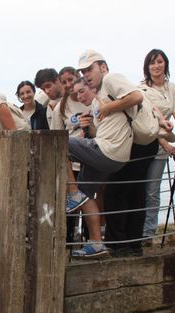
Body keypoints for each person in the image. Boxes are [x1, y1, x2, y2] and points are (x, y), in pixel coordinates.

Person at [66, 50, 143, 257]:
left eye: (89, 68)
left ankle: (71, 193)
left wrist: (108, 108)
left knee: (59, 143)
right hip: (109, 153)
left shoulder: (111, 79)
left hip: (109, 150)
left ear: (102, 67)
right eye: (83, 70)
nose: (87, 74)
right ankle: (96, 243)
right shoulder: (96, 99)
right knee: (85, 193)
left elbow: (137, 96)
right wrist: (90, 126)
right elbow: (100, 132)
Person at [139, 49, 175, 242]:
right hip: (144, 142)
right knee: (139, 188)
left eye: (159, 61)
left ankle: (148, 232)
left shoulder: (172, 88)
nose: (156, 66)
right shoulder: (141, 89)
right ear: (146, 67)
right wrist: (164, 142)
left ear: (165, 63)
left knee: (152, 190)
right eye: (152, 62)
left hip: (162, 146)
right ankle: (136, 228)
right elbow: (145, 119)